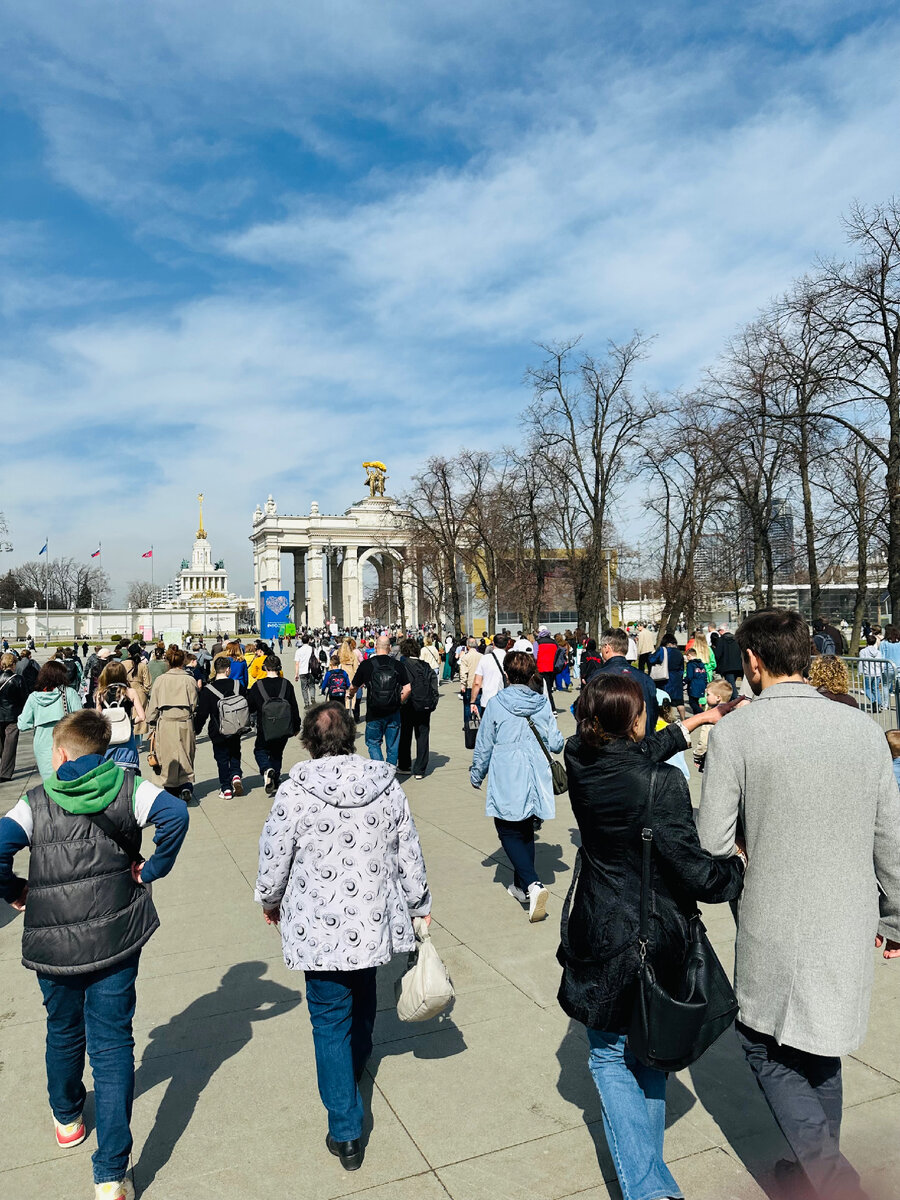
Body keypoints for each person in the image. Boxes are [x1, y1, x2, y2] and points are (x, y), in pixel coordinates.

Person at [698, 609, 900, 1200]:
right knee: (820, 1049)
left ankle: (835, 1181)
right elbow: (890, 839)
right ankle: (817, 1171)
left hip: (775, 918)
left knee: (767, 1046)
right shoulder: (862, 729)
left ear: (754, 662)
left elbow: (711, 841)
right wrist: (895, 919)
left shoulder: (737, 732)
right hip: (847, 916)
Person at [559, 673, 744, 1200]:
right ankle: (650, 1190)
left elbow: (634, 754)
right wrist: (735, 868)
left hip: (597, 923)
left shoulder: (579, 757)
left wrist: (698, 723)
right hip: (649, 932)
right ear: (633, 720)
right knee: (631, 1053)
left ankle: (650, 1180)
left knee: (629, 1049)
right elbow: (696, 873)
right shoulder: (661, 783)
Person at [0, 708, 189, 1200]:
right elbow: (175, 814)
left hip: (52, 941)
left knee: (63, 1030)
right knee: (111, 1046)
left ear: (60, 754)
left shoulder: (36, 801)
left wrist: (16, 889)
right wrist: (151, 870)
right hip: (114, 938)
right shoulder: (127, 787)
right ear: (102, 752)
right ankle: (111, 1173)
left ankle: (66, 1118)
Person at [255, 703, 431, 1172]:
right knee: (363, 991)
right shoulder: (385, 785)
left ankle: (346, 1130)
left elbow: (275, 854)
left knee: (330, 1019)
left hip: (319, 927)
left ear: (308, 742)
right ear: (351, 736)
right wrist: (420, 904)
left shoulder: (296, 791)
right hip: (369, 919)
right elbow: (407, 849)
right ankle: (355, 1064)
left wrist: (269, 900)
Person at [470, 650, 563, 923]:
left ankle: (533, 884)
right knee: (524, 829)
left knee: (507, 829)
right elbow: (556, 742)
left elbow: (484, 743)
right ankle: (521, 887)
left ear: (507, 674)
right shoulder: (541, 702)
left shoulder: (497, 703)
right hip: (535, 773)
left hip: (508, 771)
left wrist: (477, 773)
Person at [145, 646, 198, 805]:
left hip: (166, 721)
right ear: (183, 661)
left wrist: (151, 720)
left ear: (168, 662)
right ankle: (185, 784)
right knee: (186, 754)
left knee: (166, 756)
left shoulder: (161, 680)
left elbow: (153, 704)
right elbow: (194, 704)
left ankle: (170, 788)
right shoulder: (189, 679)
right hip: (184, 720)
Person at [348, 636, 411, 765]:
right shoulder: (397, 665)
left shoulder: (366, 665)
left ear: (375, 646)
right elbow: (408, 688)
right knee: (392, 746)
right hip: (393, 712)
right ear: (389, 648)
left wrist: (351, 694)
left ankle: (379, 771)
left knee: (373, 743)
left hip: (374, 712)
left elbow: (354, 686)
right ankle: (390, 774)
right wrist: (398, 701)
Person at [194, 655, 250, 798]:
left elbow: (202, 714)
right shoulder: (238, 685)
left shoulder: (208, 690)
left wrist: (197, 729)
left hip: (218, 729)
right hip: (236, 727)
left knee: (222, 758)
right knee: (235, 752)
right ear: (228, 670)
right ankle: (236, 775)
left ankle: (226, 788)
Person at [17, 662, 83, 779]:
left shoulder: (34, 698)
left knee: (48, 780)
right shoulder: (69, 693)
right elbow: (80, 719)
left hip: (42, 743)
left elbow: (23, 725)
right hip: (65, 740)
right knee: (68, 777)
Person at [249, 654, 301, 795]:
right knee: (277, 754)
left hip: (264, 726)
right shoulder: (286, 684)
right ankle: (275, 779)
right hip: (283, 726)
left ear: (265, 668)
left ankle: (266, 769)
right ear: (279, 668)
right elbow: (293, 706)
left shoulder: (257, 685)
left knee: (260, 750)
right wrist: (296, 725)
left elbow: (251, 707)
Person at [595, 628, 659, 733]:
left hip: (610, 742)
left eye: (601, 647)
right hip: (642, 740)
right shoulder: (645, 679)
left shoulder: (597, 677)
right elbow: (652, 713)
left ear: (607, 647)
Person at [397, 639, 438, 778]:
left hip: (407, 705)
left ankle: (404, 765)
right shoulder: (426, 666)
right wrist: (433, 701)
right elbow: (434, 684)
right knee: (423, 735)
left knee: (405, 735)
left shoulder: (402, 665)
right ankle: (420, 769)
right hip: (424, 705)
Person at [96, 661, 145, 771]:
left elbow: (98, 717)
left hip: (108, 739)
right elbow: (142, 716)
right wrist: (129, 722)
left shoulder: (100, 694)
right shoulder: (130, 692)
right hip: (126, 738)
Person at [469, 633, 511, 715]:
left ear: (493, 643)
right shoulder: (511, 659)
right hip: (507, 701)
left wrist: (472, 702)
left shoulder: (485, 659)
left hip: (488, 700)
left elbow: (477, 683)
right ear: (507, 644)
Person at [0, 651, 26, 781]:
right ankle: (5, 772)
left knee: (2, 743)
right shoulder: (18, 679)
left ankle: (3, 762)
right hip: (12, 714)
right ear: (13, 664)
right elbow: (23, 698)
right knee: (10, 743)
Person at [648, 634, 685, 719]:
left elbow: (651, 660)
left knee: (664, 700)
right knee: (679, 702)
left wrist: (651, 653)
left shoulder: (662, 650)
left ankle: (666, 718)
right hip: (676, 679)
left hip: (664, 679)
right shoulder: (679, 653)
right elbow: (682, 668)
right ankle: (683, 719)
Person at [534, 626, 561, 711]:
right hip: (552, 669)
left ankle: (548, 708)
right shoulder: (554, 642)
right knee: (549, 689)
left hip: (540, 669)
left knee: (540, 690)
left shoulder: (537, 643)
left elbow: (535, 657)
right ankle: (552, 708)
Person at [713, 625, 742, 698]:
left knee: (730, 686)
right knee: (732, 684)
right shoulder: (737, 639)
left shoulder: (721, 640)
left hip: (726, 666)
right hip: (738, 665)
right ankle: (733, 700)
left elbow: (717, 654)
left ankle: (736, 701)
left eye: (719, 631)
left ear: (722, 631)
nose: (718, 633)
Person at [859, 634, 885, 710]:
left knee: (867, 688)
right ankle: (879, 703)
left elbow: (861, 662)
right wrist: (881, 670)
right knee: (876, 688)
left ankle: (874, 701)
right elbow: (881, 662)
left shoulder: (863, 651)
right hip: (877, 673)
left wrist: (860, 672)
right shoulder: (878, 652)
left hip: (868, 672)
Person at [294, 634, 317, 708]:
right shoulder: (313, 649)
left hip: (302, 671)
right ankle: (312, 697)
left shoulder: (298, 651)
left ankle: (306, 703)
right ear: (309, 640)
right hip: (311, 670)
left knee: (304, 688)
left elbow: (297, 663)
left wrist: (296, 674)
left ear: (302, 641)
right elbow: (318, 660)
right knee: (312, 685)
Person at [457, 637, 483, 706]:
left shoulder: (465, 657)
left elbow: (463, 673)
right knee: (479, 707)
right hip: (481, 685)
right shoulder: (482, 657)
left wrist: (463, 685)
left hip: (469, 685)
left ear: (467, 646)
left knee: (468, 707)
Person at [683, 647, 708, 714]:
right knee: (696, 701)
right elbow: (705, 675)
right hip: (701, 684)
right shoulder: (701, 664)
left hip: (694, 685)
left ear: (689, 655)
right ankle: (697, 715)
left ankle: (702, 714)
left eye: (687, 656)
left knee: (692, 702)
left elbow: (690, 676)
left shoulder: (690, 664)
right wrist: (705, 684)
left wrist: (683, 682)